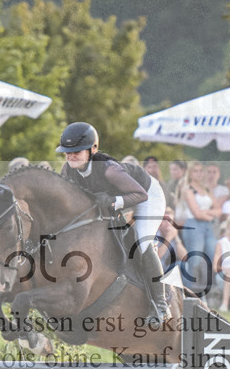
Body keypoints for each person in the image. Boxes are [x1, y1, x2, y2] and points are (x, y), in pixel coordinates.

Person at [56, 122, 169, 322]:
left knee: (142, 243)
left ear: (93, 149)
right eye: (67, 152)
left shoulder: (109, 170)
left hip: (147, 195)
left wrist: (113, 202)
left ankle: (161, 305)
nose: (71, 156)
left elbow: (140, 195)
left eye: (77, 151)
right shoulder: (69, 170)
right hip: (120, 199)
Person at [175, 161, 219, 294]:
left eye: (200, 171)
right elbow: (196, 213)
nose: (198, 174)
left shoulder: (205, 189)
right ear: (190, 172)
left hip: (207, 226)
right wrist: (210, 215)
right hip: (193, 224)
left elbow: (218, 209)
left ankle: (212, 290)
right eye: (195, 171)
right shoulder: (187, 189)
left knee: (213, 254)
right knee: (195, 259)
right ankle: (190, 291)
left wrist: (207, 214)